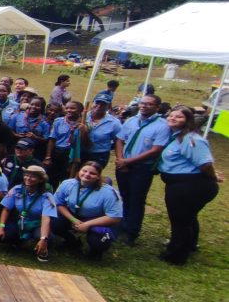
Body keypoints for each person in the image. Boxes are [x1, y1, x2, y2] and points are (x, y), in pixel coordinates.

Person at [157, 106, 222, 265]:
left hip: (190, 186)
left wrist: (214, 177)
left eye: (178, 117)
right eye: (171, 115)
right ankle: (190, 245)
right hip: (180, 184)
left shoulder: (191, 139)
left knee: (180, 220)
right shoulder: (176, 136)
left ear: (188, 120)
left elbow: (205, 164)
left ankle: (176, 255)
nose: (173, 118)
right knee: (188, 218)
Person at [114, 95, 170, 246]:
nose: (144, 106)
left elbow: (156, 149)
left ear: (157, 107)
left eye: (149, 104)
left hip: (142, 167)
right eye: (142, 103)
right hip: (123, 165)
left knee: (137, 199)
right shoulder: (132, 120)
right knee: (124, 196)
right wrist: (120, 159)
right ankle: (123, 225)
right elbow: (120, 139)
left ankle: (132, 232)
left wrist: (128, 161)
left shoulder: (162, 126)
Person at [53, 161, 123, 260]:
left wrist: (87, 224)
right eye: (84, 171)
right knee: (53, 222)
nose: (87, 175)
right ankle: (71, 241)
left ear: (99, 176)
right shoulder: (67, 184)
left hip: (97, 220)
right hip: (74, 216)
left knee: (100, 241)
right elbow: (58, 204)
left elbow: (115, 217)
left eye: (92, 173)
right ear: (78, 171)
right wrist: (73, 219)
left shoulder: (109, 192)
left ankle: (96, 251)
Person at [0, 165, 58, 262]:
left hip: (37, 224)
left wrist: (43, 238)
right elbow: (6, 209)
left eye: (33, 176)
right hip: (20, 221)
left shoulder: (47, 196)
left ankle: (44, 249)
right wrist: (1, 226)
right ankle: (17, 241)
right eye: (26, 175)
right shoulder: (16, 189)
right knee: (2, 236)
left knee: (44, 237)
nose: (28, 178)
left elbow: (46, 218)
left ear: (40, 180)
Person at [45, 101, 87, 185]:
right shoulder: (58, 121)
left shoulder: (84, 124)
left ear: (80, 111)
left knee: (67, 178)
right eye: (67, 108)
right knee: (53, 178)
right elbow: (52, 139)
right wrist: (48, 156)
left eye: (72, 108)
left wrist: (83, 131)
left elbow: (86, 143)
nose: (69, 110)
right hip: (58, 152)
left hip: (73, 154)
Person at [82, 93, 121, 169]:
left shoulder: (114, 123)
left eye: (103, 104)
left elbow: (118, 140)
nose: (99, 106)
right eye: (97, 103)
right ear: (92, 103)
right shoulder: (82, 117)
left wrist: (119, 157)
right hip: (81, 152)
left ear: (108, 107)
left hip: (99, 155)